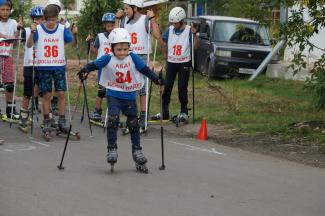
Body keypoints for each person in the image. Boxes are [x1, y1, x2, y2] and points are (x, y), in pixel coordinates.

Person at [77, 28, 164, 171]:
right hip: (114, 95)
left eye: (125, 49)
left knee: (133, 122)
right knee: (112, 120)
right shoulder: (108, 57)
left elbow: (145, 70)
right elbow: (94, 64)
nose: (122, 52)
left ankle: (137, 150)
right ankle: (112, 148)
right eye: (119, 49)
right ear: (112, 48)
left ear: (129, 47)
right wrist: (85, 70)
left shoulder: (133, 57)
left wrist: (156, 79)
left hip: (129, 96)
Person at [27, 4, 77, 137]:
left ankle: (62, 120)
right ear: (44, 18)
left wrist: (73, 32)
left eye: (53, 19)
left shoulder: (61, 29)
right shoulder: (38, 29)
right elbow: (29, 45)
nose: (50, 22)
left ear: (57, 18)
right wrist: (32, 32)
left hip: (59, 66)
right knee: (47, 95)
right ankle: (47, 121)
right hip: (44, 67)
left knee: (61, 93)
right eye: (48, 19)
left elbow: (71, 43)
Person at [115, 0, 161, 132]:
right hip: (128, 57)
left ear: (135, 8)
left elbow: (157, 36)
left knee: (142, 89)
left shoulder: (145, 19)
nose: (125, 11)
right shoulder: (124, 21)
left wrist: (152, 19)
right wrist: (117, 19)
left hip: (142, 57)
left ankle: (143, 117)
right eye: (124, 9)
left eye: (127, 9)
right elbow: (116, 36)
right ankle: (132, 117)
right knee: (129, 89)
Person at [151, 7, 198, 122]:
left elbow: (196, 47)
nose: (173, 24)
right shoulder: (170, 29)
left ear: (182, 21)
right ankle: (164, 112)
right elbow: (163, 41)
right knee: (167, 86)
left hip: (184, 62)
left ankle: (184, 112)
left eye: (176, 22)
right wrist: (165, 53)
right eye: (172, 22)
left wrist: (195, 34)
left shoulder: (188, 30)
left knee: (182, 87)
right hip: (172, 62)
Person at [18, 6, 44, 132]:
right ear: (31, 19)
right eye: (36, 19)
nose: (38, 21)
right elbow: (28, 44)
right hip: (29, 64)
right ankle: (23, 117)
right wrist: (32, 32)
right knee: (27, 92)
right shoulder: (27, 31)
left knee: (45, 91)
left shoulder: (46, 30)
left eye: (40, 19)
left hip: (43, 64)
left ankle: (46, 117)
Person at [87, 12, 116, 124]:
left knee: (113, 91)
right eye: (108, 25)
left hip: (114, 68)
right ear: (104, 25)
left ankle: (113, 113)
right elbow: (95, 51)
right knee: (101, 91)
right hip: (102, 68)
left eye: (112, 25)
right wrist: (90, 42)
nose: (110, 28)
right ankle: (97, 112)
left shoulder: (118, 35)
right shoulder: (100, 36)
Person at [0, 0, 22, 121]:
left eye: (7, 10)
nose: (5, 12)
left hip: (7, 56)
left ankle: (11, 110)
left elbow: (16, 37)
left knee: (9, 85)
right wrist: (4, 36)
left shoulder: (13, 22)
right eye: (2, 9)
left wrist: (19, 28)